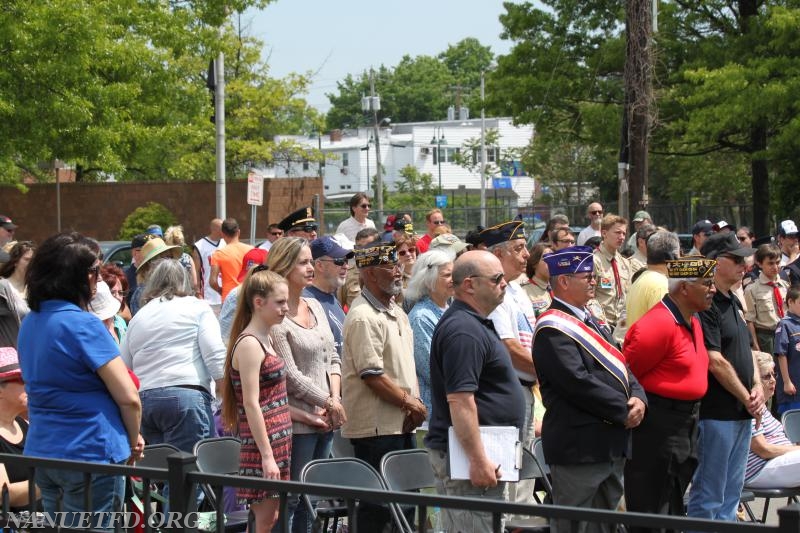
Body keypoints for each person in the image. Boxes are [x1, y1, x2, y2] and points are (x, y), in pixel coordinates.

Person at [18, 232, 143, 525]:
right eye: (95, 272)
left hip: (44, 452)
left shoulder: (30, 323)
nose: (98, 279)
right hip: (91, 451)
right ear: (79, 276)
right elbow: (129, 397)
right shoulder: (83, 323)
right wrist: (132, 437)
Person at [532, 246, 646, 533]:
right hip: (579, 447)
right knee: (574, 525)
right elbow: (577, 382)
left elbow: (622, 366)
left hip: (610, 442)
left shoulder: (592, 319)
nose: (593, 281)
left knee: (606, 525)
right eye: (586, 276)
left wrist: (639, 398)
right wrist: (623, 410)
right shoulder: (552, 328)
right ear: (564, 282)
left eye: (594, 276)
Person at [424, 250, 525, 532]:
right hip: (471, 461)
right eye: (496, 279)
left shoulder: (472, 323)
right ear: (469, 285)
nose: (504, 283)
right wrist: (478, 459)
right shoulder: (463, 330)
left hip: (487, 454)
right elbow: (460, 400)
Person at [623, 256, 717, 524]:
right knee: (652, 507)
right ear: (684, 288)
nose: (712, 289)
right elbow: (627, 374)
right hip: (657, 426)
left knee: (674, 504)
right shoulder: (657, 324)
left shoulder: (693, 319)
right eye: (706, 284)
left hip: (685, 424)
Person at [341, 241, 426, 531]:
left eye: (398, 264)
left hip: (402, 423)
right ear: (369, 274)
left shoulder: (396, 311)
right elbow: (372, 375)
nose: (398, 271)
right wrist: (410, 403)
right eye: (390, 266)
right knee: (379, 512)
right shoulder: (364, 315)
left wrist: (412, 405)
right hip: (377, 430)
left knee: (406, 506)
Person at [266, 237, 345, 533]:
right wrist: (329, 402)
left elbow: (333, 356)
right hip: (298, 422)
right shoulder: (277, 315)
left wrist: (334, 398)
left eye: (311, 261)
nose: (310, 267)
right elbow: (290, 375)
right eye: (303, 262)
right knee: (293, 499)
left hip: (326, 417)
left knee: (312, 499)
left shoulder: (315, 304)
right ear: (284, 266)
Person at [687, 231, 763, 522]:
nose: (745, 264)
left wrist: (756, 387)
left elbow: (745, 349)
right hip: (717, 414)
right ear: (716, 262)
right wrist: (748, 398)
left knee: (731, 497)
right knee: (709, 496)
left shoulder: (734, 299)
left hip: (742, 412)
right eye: (737, 259)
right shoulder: (706, 304)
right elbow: (714, 361)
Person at [121, 259, 226, 453]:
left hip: (146, 401)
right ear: (184, 281)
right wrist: (228, 396)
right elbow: (215, 354)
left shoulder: (139, 317)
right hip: (185, 395)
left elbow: (125, 367)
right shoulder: (198, 307)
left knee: (162, 476)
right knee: (189, 475)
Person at [220, 268, 293, 533]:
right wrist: (266, 455)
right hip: (263, 444)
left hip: (278, 440)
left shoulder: (267, 337)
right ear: (259, 302)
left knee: (270, 518)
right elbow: (251, 403)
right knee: (265, 520)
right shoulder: (250, 343)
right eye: (280, 302)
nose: (286, 308)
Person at [481, 220, 539, 511]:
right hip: (509, 392)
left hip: (526, 390)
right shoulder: (498, 294)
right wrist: (550, 372)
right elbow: (509, 348)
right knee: (510, 482)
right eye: (518, 248)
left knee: (525, 479)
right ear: (499, 255)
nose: (526, 254)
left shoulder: (518, 291)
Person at [406, 250, 454, 416]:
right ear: (428, 280)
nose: (453, 280)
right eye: (447, 275)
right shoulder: (420, 317)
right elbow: (432, 370)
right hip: (435, 410)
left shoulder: (451, 310)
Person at [745, 351, 800, 489]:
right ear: (754, 380)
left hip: (778, 462)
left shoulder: (763, 408)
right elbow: (763, 449)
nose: (773, 380)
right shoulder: (750, 406)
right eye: (766, 376)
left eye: (773, 374)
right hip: (761, 468)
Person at [0, 346, 38, 511]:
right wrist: (50, 483)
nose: (29, 384)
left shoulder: (25, 425)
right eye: (21, 379)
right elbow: (2, 494)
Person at [305, 236, 353, 356]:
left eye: (346, 261)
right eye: (339, 261)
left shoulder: (332, 297)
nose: (346, 266)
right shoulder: (306, 300)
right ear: (319, 265)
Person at [624, 230, 681, 329]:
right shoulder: (660, 285)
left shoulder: (641, 278)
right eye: (679, 255)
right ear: (673, 257)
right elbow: (663, 329)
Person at [745, 244, 788, 354]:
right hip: (766, 338)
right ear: (759, 263)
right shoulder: (752, 289)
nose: (775, 267)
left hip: (786, 334)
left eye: (777, 262)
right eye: (770, 263)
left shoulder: (786, 286)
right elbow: (750, 321)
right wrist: (756, 347)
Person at [593, 214, 632, 334]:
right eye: (617, 232)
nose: (621, 237)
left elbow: (628, 294)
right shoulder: (594, 260)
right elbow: (589, 298)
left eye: (624, 234)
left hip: (622, 326)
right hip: (602, 325)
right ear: (604, 233)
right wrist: (601, 323)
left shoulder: (624, 263)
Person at [130, 237, 182, 315]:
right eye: (164, 258)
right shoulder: (141, 295)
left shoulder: (177, 286)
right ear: (149, 266)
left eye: (170, 257)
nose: (169, 262)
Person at [0, 240, 34, 347]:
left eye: (33, 260)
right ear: (15, 262)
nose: (31, 264)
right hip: (10, 356)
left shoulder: (36, 289)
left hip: (32, 353)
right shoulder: (3, 287)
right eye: (27, 260)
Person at [210, 218, 253, 302]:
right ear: (238, 232)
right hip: (248, 295)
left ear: (222, 234)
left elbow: (213, 281)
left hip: (229, 297)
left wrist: (220, 290)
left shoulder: (218, 254)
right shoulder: (251, 250)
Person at [774, 286, 800, 415]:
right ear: (790, 302)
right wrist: (787, 382)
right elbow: (781, 354)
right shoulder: (785, 324)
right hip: (793, 387)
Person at [192, 218, 226, 311]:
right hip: (208, 296)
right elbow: (196, 271)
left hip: (225, 294)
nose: (225, 231)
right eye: (222, 228)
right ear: (214, 229)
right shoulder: (199, 246)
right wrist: (197, 292)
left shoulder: (226, 243)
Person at [164, 225, 199, 294]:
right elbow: (195, 283)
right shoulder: (188, 258)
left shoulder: (164, 259)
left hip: (169, 297)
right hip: (186, 296)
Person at [521, 242, 553, 317]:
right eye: (546, 258)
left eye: (553, 258)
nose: (551, 262)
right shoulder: (524, 291)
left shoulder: (558, 288)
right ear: (534, 263)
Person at [89, 281, 126, 345]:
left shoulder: (120, 321)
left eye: (120, 292)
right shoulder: (90, 333)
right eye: (113, 292)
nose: (117, 296)